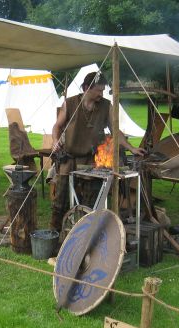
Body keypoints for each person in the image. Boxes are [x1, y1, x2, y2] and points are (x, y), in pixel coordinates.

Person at [50, 72, 145, 232]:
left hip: (92, 162)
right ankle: (54, 234)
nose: (101, 94)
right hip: (70, 159)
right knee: (60, 201)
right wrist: (55, 141)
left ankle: (85, 233)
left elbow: (116, 131)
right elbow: (57, 126)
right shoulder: (70, 103)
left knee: (91, 201)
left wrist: (131, 148)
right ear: (87, 88)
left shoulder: (106, 106)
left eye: (103, 91)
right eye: (99, 90)